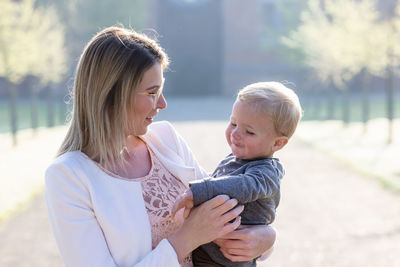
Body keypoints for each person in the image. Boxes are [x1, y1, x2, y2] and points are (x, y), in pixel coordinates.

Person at [45, 26, 276, 267]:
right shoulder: (68, 176)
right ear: (112, 94)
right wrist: (186, 239)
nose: (163, 104)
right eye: (152, 92)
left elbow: (226, 215)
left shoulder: (166, 138)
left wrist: (267, 238)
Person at [172, 82, 302, 266]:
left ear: (278, 144)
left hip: (227, 261)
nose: (235, 133)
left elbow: (244, 186)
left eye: (249, 131)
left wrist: (200, 191)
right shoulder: (236, 159)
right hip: (208, 254)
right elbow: (221, 182)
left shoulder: (265, 173)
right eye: (233, 123)